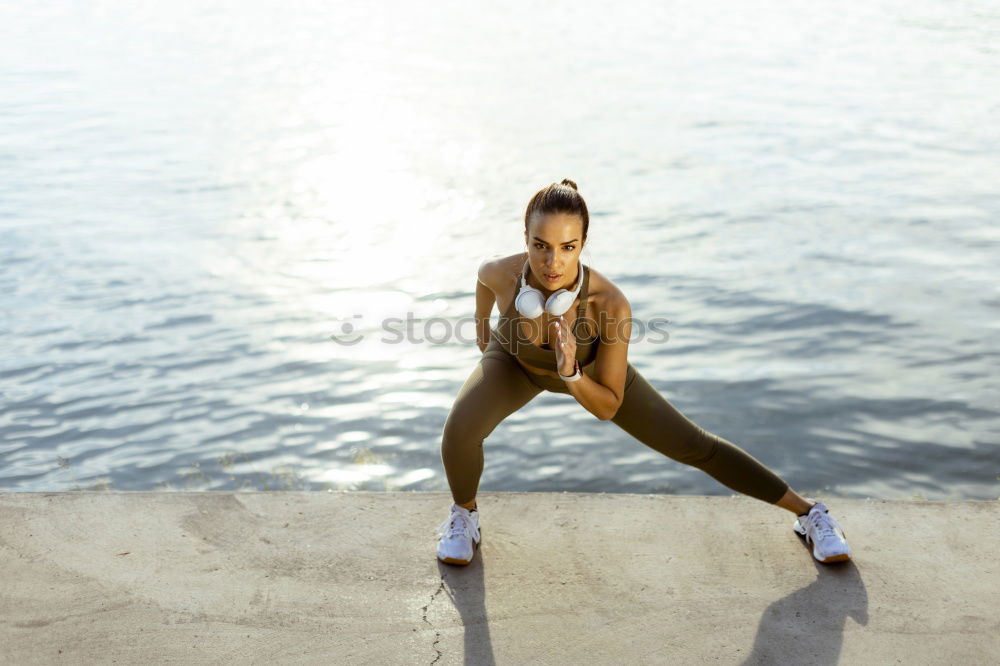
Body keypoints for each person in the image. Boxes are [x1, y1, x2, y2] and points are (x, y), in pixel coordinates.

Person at [435, 179, 853, 566]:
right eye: (540, 245)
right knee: (459, 431)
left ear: (583, 244)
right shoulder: (501, 273)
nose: (552, 262)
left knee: (694, 445)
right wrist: (480, 325)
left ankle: (810, 513)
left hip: (590, 376)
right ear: (524, 239)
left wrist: (572, 373)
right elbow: (481, 279)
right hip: (513, 363)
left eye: (567, 247)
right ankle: (465, 515)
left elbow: (607, 407)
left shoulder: (609, 304)